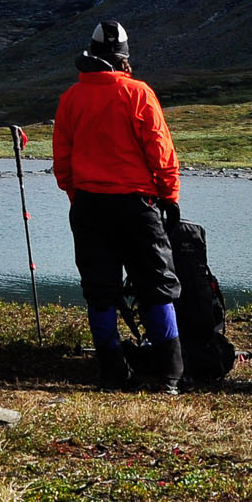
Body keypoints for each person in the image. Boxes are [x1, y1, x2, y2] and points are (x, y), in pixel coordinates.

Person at [50, 19, 185, 392]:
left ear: (91, 55)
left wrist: (78, 195)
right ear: (125, 58)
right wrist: (169, 196)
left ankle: (112, 370)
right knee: (157, 286)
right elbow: (161, 151)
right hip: (136, 206)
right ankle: (169, 375)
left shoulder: (71, 98)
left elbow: (62, 158)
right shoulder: (139, 94)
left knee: (100, 289)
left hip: (90, 206)